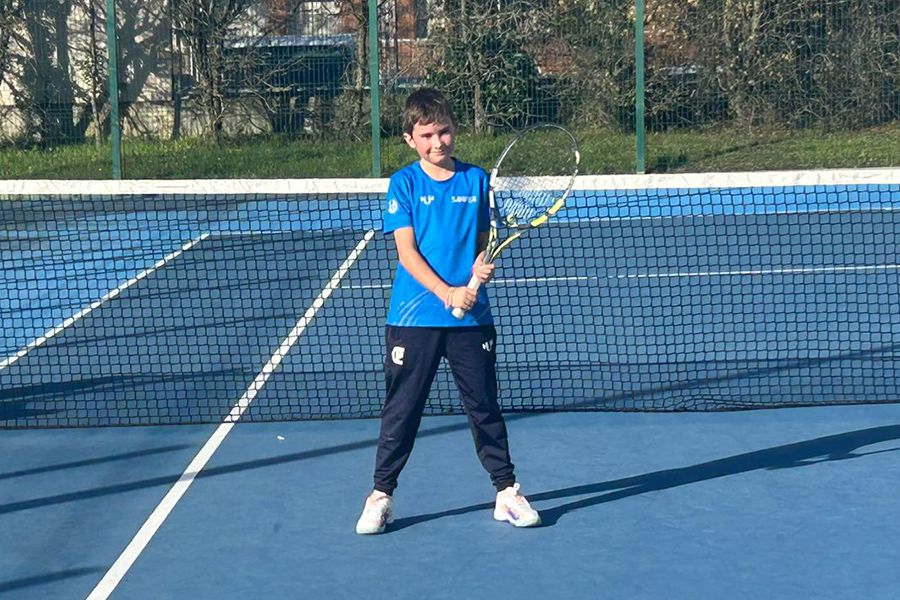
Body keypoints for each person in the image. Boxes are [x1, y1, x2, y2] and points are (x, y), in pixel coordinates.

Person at [355, 88, 540, 535]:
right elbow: (407, 253)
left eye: (444, 131)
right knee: (402, 411)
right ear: (409, 139)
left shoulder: (477, 180)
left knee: (484, 407)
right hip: (413, 318)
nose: (437, 142)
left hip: (472, 321)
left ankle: (506, 493)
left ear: (454, 129)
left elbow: (482, 239)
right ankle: (381, 496)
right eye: (426, 135)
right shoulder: (404, 184)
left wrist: (479, 268)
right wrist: (447, 293)